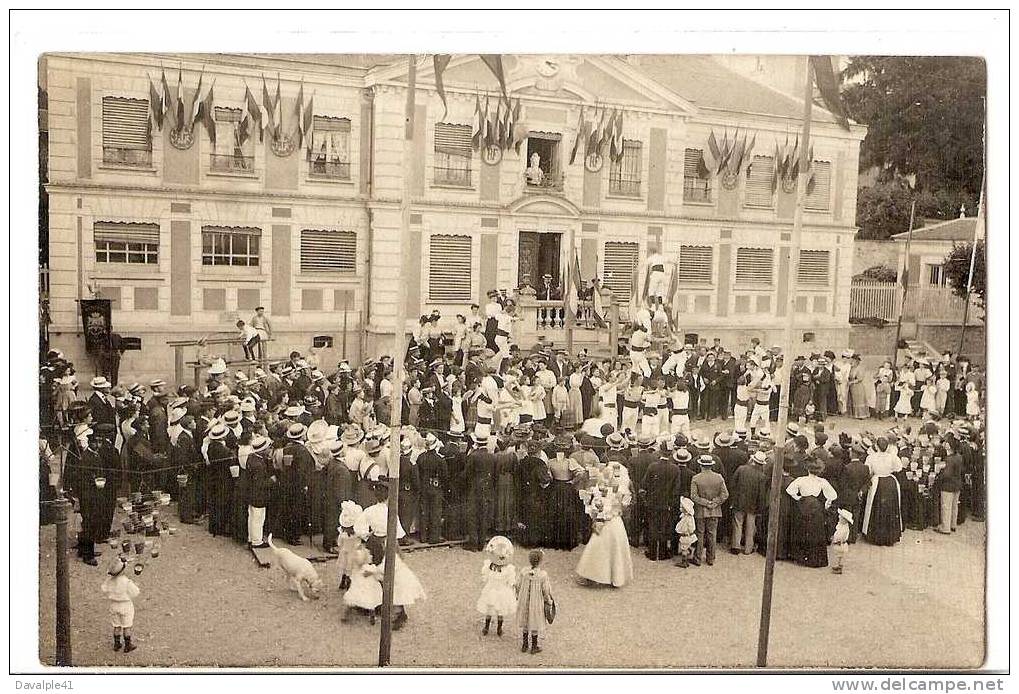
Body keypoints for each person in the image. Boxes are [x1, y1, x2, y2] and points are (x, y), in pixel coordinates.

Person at [786, 458, 838, 568]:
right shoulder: (822, 481)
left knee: (801, 530)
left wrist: (797, 497)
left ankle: (800, 556)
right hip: (816, 506)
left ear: (808, 469)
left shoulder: (801, 479)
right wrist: (827, 503)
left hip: (803, 505)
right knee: (815, 532)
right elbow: (833, 495)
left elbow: (789, 490)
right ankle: (814, 559)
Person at [861, 437, 903, 546]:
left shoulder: (871, 457)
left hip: (878, 482)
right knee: (890, 508)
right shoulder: (892, 457)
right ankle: (889, 535)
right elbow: (899, 468)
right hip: (890, 483)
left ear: (876, 446)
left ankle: (876, 535)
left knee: (877, 508)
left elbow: (868, 470)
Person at [690, 454, 728, 566]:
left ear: (701, 465)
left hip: (700, 510)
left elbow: (694, 496)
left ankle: (698, 557)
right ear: (711, 465)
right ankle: (710, 558)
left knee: (700, 534)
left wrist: (705, 503)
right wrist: (714, 502)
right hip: (715, 510)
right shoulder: (719, 477)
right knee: (712, 534)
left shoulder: (696, 478)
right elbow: (725, 494)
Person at [476, 535, 517, 637]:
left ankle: (486, 627)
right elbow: (511, 582)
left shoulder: (488, 566)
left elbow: (484, 578)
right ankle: (499, 629)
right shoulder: (508, 569)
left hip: (491, 590)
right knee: (500, 611)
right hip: (502, 591)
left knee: (489, 609)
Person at [515, 549, 554, 655]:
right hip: (536, 602)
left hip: (524, 601)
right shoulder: (542, 575)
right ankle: (534, 646)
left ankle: (524, 645)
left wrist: (518, 595)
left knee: (526, 620)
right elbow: (546, 590)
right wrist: (548, 600)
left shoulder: (524, 571)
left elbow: (517, 584)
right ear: (540, 561)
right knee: (534, 621)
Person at [101, 556, 140, 653]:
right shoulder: (126, 582)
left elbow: (104, 588)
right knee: (127, 626)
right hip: (125, 605)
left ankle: (117, 644)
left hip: (114, 605)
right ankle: (128, 645)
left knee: (116, 625)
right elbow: (135, 592)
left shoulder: (109, 580)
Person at [830, 508, 853, 574]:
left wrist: (836, 540)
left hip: (840, 544)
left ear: (844, 520)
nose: (839, 517)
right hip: (840, 544)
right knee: (838, 556)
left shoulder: (844, 528)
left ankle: (839, 568)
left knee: (839, 556)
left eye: (841, 517)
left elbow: (841, 536)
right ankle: (838, 566)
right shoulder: (840, 525)